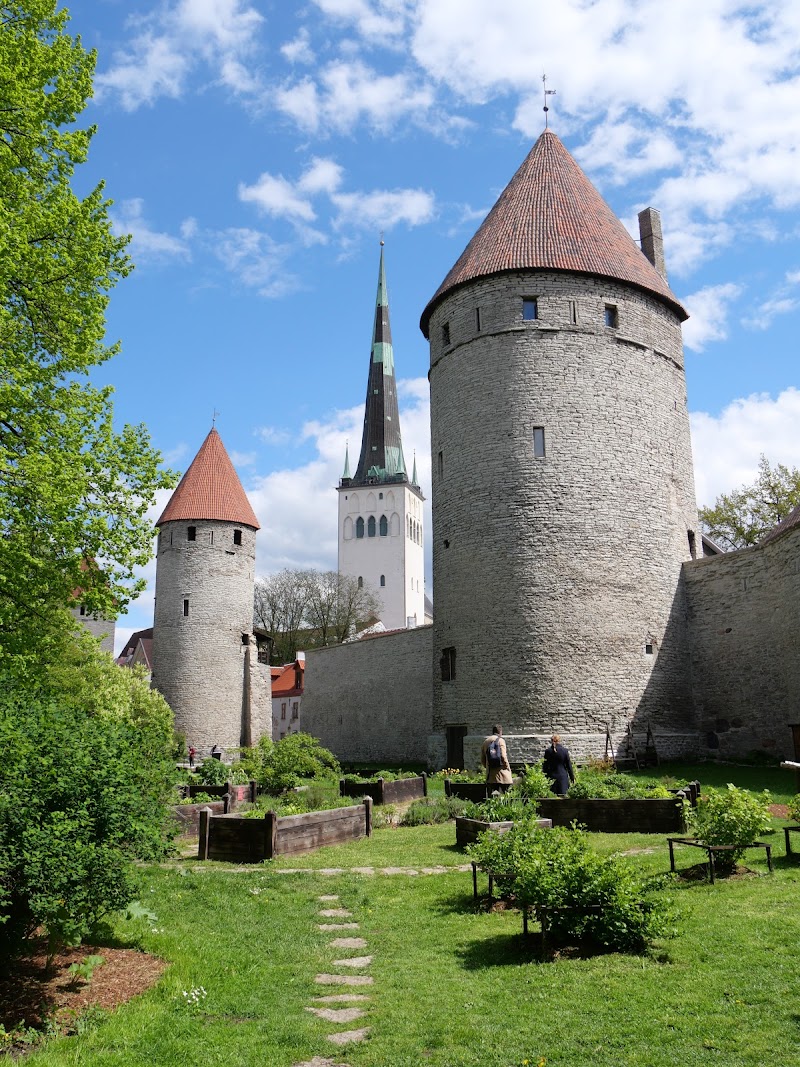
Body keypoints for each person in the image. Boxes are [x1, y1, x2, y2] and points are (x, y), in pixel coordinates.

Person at [481, 724, 513, 790]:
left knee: (492, 793)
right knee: (506, 793)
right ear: (500, 732)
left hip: (491, 775)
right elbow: (503, 756)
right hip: (502, 774)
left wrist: (487, 767)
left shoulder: (486, 742)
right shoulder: (501, 741)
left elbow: (482, 759)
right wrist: (507, 767)